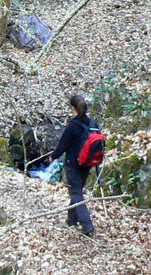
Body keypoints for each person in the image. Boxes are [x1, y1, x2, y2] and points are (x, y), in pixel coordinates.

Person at [50, 94, 99, 236]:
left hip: (73, 164)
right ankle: (71, 219)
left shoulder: (72, 126)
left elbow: (62, 146)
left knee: (76, 193)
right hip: (87, 164)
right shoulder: (93, 124)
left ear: (73, 108)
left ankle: (87, 225)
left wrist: (53, 157)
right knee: (76, 190)